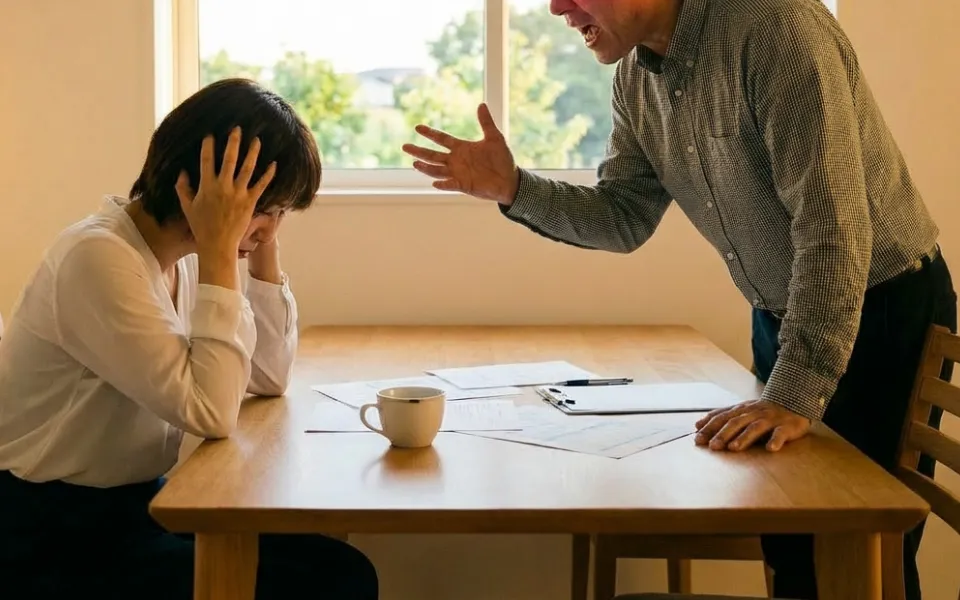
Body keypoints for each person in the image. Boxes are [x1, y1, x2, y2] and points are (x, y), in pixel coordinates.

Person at [401, 0, 955, 598]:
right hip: (785, 314)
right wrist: (513, 188)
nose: (557, 7)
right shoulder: (635, 78)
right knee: (792, 541)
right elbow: (624, 216)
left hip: (881, 306)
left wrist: (793, 392)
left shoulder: (776, 28)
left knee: (861, 554)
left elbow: (833, 226)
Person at [0, 78, 378, 599]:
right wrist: (224, 248)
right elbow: (211, 412)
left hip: (135, 510)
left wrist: (260, 244)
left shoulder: (183, 257)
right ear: (200, 186)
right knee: (328, 584)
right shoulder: (97, 259)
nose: (270, 229)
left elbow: (268, 374)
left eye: (280, 213)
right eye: (262, 208)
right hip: (50, 536)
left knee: (338, 569)